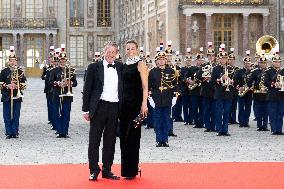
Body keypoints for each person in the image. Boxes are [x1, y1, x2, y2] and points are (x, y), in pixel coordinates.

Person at [82, 41, 122, 181]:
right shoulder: (94, 67)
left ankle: (107, 169)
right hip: (98, 107)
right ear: (104, 52)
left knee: (110, 141)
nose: (111, 54)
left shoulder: (120, 67)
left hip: (114, 107)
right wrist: (85, 110)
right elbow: (87, 89)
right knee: (94, 140)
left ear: (116, 53)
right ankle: (93, 170)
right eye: (108, 51)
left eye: (113, 52)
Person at [119, 40, 148, 180]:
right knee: (123, 137)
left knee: (133, 137)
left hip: (136, 105)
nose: (130, 51)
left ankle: (132, 170)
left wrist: (144, 104)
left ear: (137, 49)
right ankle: (126, 170)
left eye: (133, 48)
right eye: (128, 49)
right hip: (124, 106)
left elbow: (145, 86)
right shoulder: (124, 65)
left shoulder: (141, 64)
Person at [149, 51, 178, 147]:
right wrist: (150, 98)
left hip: (167, 97)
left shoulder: (171, 71)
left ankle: (165, 140)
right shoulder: (152, 72)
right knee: (157, 120)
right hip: (156, 97)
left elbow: (175, 85)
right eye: (159, 59)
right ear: (156, 61)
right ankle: (158, 140)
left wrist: (175, 97)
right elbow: (149, 86)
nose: (161, 61)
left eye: (163, 59)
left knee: (166, 120)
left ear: (166, 60)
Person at [49, 45, 77, 138]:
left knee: (66, 113)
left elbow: (75, 82)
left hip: (67, 94)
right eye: (61, 59)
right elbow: (50, 81)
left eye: (64, 59)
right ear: (59, 60)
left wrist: (70, 82)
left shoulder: (71, 70)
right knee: (57, 113)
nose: (62, 60)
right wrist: (58, 83)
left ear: (66, 60)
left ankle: (65, 131)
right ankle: (59, 131)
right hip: (57, 94)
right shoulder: (54, 70)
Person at [0, 46, 26, 139]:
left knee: (16, 114)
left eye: (14, 61)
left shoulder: (20, 71)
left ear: (16, 61)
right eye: (11, 61)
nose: (12, 62)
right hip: (6, 96)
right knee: (6, 115)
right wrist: (7, 86)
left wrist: (17, 86)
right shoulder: (4, 71)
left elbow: (24, 84)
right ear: (8, 61)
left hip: (17, 96)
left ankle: (15, 132)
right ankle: (8, 132)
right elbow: (0, 83)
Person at [263, 54, 284, 135]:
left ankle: (279, 130)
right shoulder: (268, 71)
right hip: (272, 95)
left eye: (278, 62)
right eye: (275, 62)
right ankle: (274, 130)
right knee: (272, 113)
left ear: (280, 62)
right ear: (272, 63)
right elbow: (265, 82)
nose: (277, 63)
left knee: (280, 113)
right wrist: (274, 84)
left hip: (281, 95)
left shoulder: (283, 71)